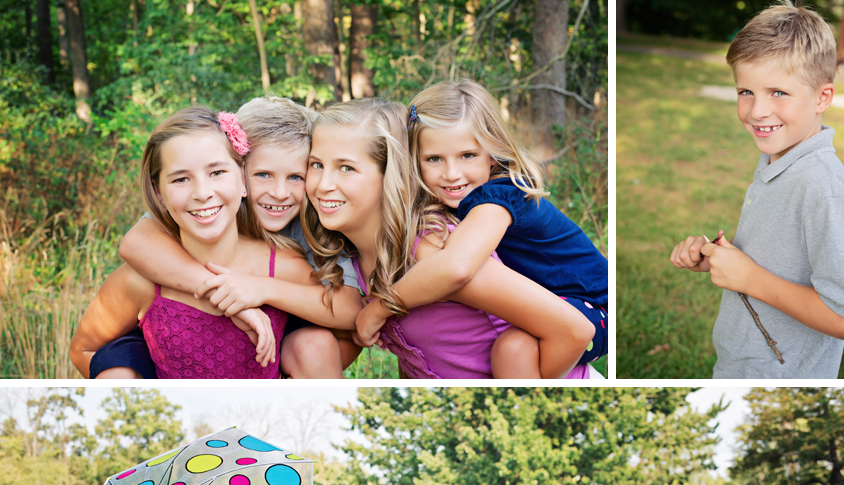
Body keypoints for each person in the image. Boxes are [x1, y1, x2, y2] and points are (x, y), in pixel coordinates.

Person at [303, 101, 593, 379]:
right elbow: (417, 361)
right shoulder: (356, 259)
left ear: (392, 174)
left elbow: (573, 329)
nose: (324, 184)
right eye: (316, 165)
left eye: (346, 168)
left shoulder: (434, 250)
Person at [68, 106, 360, 381]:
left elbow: (347, 321)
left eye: (217, 173)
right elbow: (134, 244)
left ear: (238, 180)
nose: (202, 193)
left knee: (315, 343)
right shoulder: (142, 273)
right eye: (181, 179)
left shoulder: (303, 242)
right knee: (116, 369)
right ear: (160, 194)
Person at [670, 3, 844, 379]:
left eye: (779, 93)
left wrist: (750, 277)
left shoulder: (821, 187)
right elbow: (781, 253)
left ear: (822, 98)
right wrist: (717, 256)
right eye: (746, 91)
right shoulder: (779, 158)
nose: (757, 111)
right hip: (743, 366)